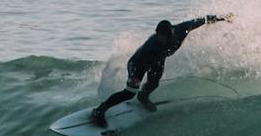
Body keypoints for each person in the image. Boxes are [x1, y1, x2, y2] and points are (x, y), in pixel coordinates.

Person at [88, 13, 230, 127]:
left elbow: (201, 20)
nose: (160, 38)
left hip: (157, 62)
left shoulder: (180, 31)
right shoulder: (151, 45)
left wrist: (221, 18)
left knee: (153, 84)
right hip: (138, 64)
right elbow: (132, 62)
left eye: (163, 36)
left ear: (170, 33)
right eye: (158, 35)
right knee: (129, 93)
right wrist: (133, 76)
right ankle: (100, 110)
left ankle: (143, 97)